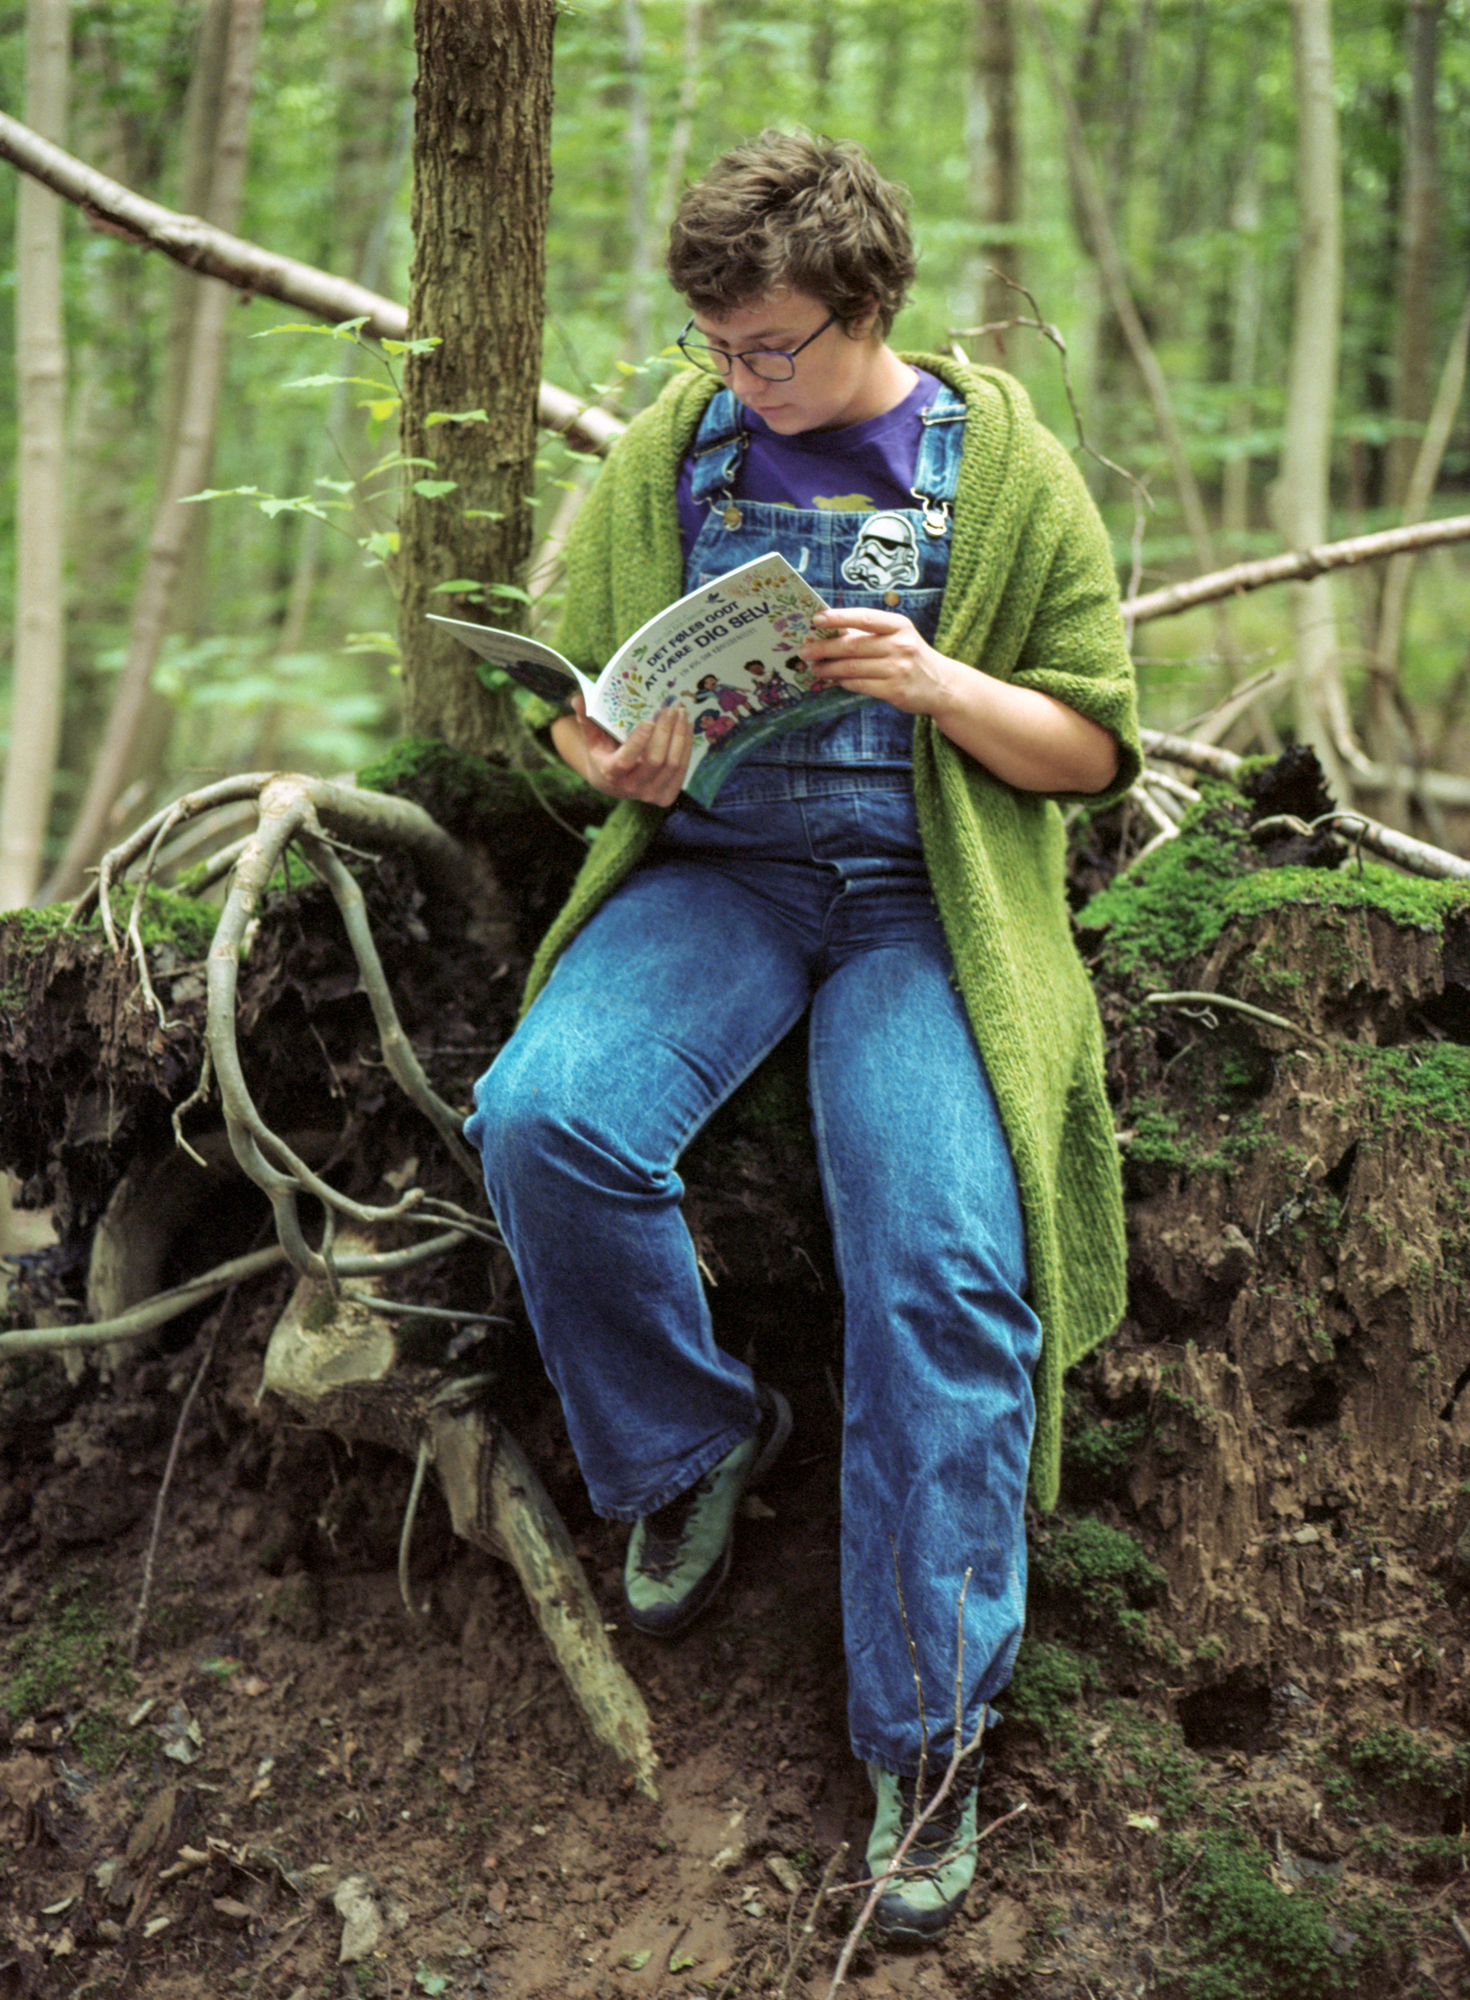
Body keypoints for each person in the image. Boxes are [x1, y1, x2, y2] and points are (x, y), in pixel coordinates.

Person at [465, 129, 1140, 1943]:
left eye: (774, 349)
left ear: (865, 309)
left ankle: (925, 1732)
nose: (744, 380)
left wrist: (936, 681)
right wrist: (609, 757)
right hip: (722, 880)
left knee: (937, 1268)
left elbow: (1089, 745)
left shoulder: (1000, 468)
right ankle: (687, 1446)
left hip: (928, 905)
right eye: (717, 347)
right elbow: (570, 693)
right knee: (543, 1115)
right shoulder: (669, 458)